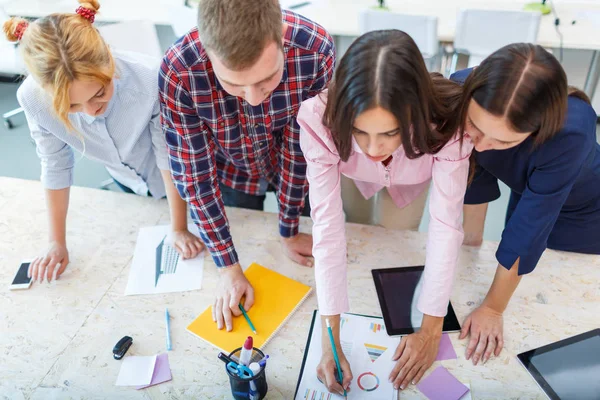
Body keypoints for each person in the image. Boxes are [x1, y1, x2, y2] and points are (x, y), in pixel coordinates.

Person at [297, 30, 473, 394]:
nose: (373, 148)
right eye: (360, 132)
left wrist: (430, 328)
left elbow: (444, 227)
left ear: (414, 113)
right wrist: (331, 340)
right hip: (352, 176)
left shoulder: (448, 126)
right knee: (355, 230)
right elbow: (327, 231)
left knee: (398, 242)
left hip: (410, 182)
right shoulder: (318, 118)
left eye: (390, 133)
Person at [158, 0, 335, 331]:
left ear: (282, 35)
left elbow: (301, 150)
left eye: (267, 79)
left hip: (298, 173)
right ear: (207, 51)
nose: (253, 97)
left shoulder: (315, 50)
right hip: (231, 172)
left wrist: (289, 228)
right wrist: (228, 269)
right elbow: (196, 177)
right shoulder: (179, 70)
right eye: (234, 84)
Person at [4, 0, 203, 283]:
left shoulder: (150, 79)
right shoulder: (32, 99)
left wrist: (179, 227)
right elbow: (55, 163)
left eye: (99, 93)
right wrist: (56, 242)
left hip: (179, 176)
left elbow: (168, 154)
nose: (90, 111)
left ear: (108, 57)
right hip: (126, 177)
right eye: (72, 106)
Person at [455, 43, 600, 366]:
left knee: (562, 289)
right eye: (475, 127)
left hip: (585, 212)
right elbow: (474, 171)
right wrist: (471, 244)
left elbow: (529, 230)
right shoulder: (461, 89)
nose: (480, 143)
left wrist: (493, 308)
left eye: (503, 141)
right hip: (530, 188)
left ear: (538, 128)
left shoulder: (571, 134)